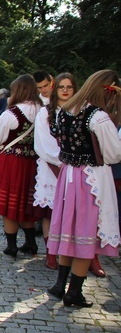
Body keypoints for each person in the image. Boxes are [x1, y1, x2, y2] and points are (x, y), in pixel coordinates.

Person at [46, 69, 121, 308]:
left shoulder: (65, 111)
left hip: (69, 174)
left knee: (70, 230)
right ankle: (74, 292)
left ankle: (60, 285)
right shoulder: (97, 116)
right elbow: (114, 153)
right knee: (85, 232)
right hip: (91, 176)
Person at [0, 74, 45, 258]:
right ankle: (31, 242)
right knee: (27, 204)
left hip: (12, 163)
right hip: (34, 164)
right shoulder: (43, 112)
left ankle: (11, 245)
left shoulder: (12, 114)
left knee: (10, 204)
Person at [33, 72, 78, 269]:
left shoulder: (80, 110)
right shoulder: (45, 113)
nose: (66, 91)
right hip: (52, 165)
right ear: (56, 88)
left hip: (76, 166)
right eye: (62, 87)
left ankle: (78, 252)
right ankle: (51, 253)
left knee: (75, 210)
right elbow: (42, 144)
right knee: (50, 211)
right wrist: (61, 160)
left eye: (69, 87)